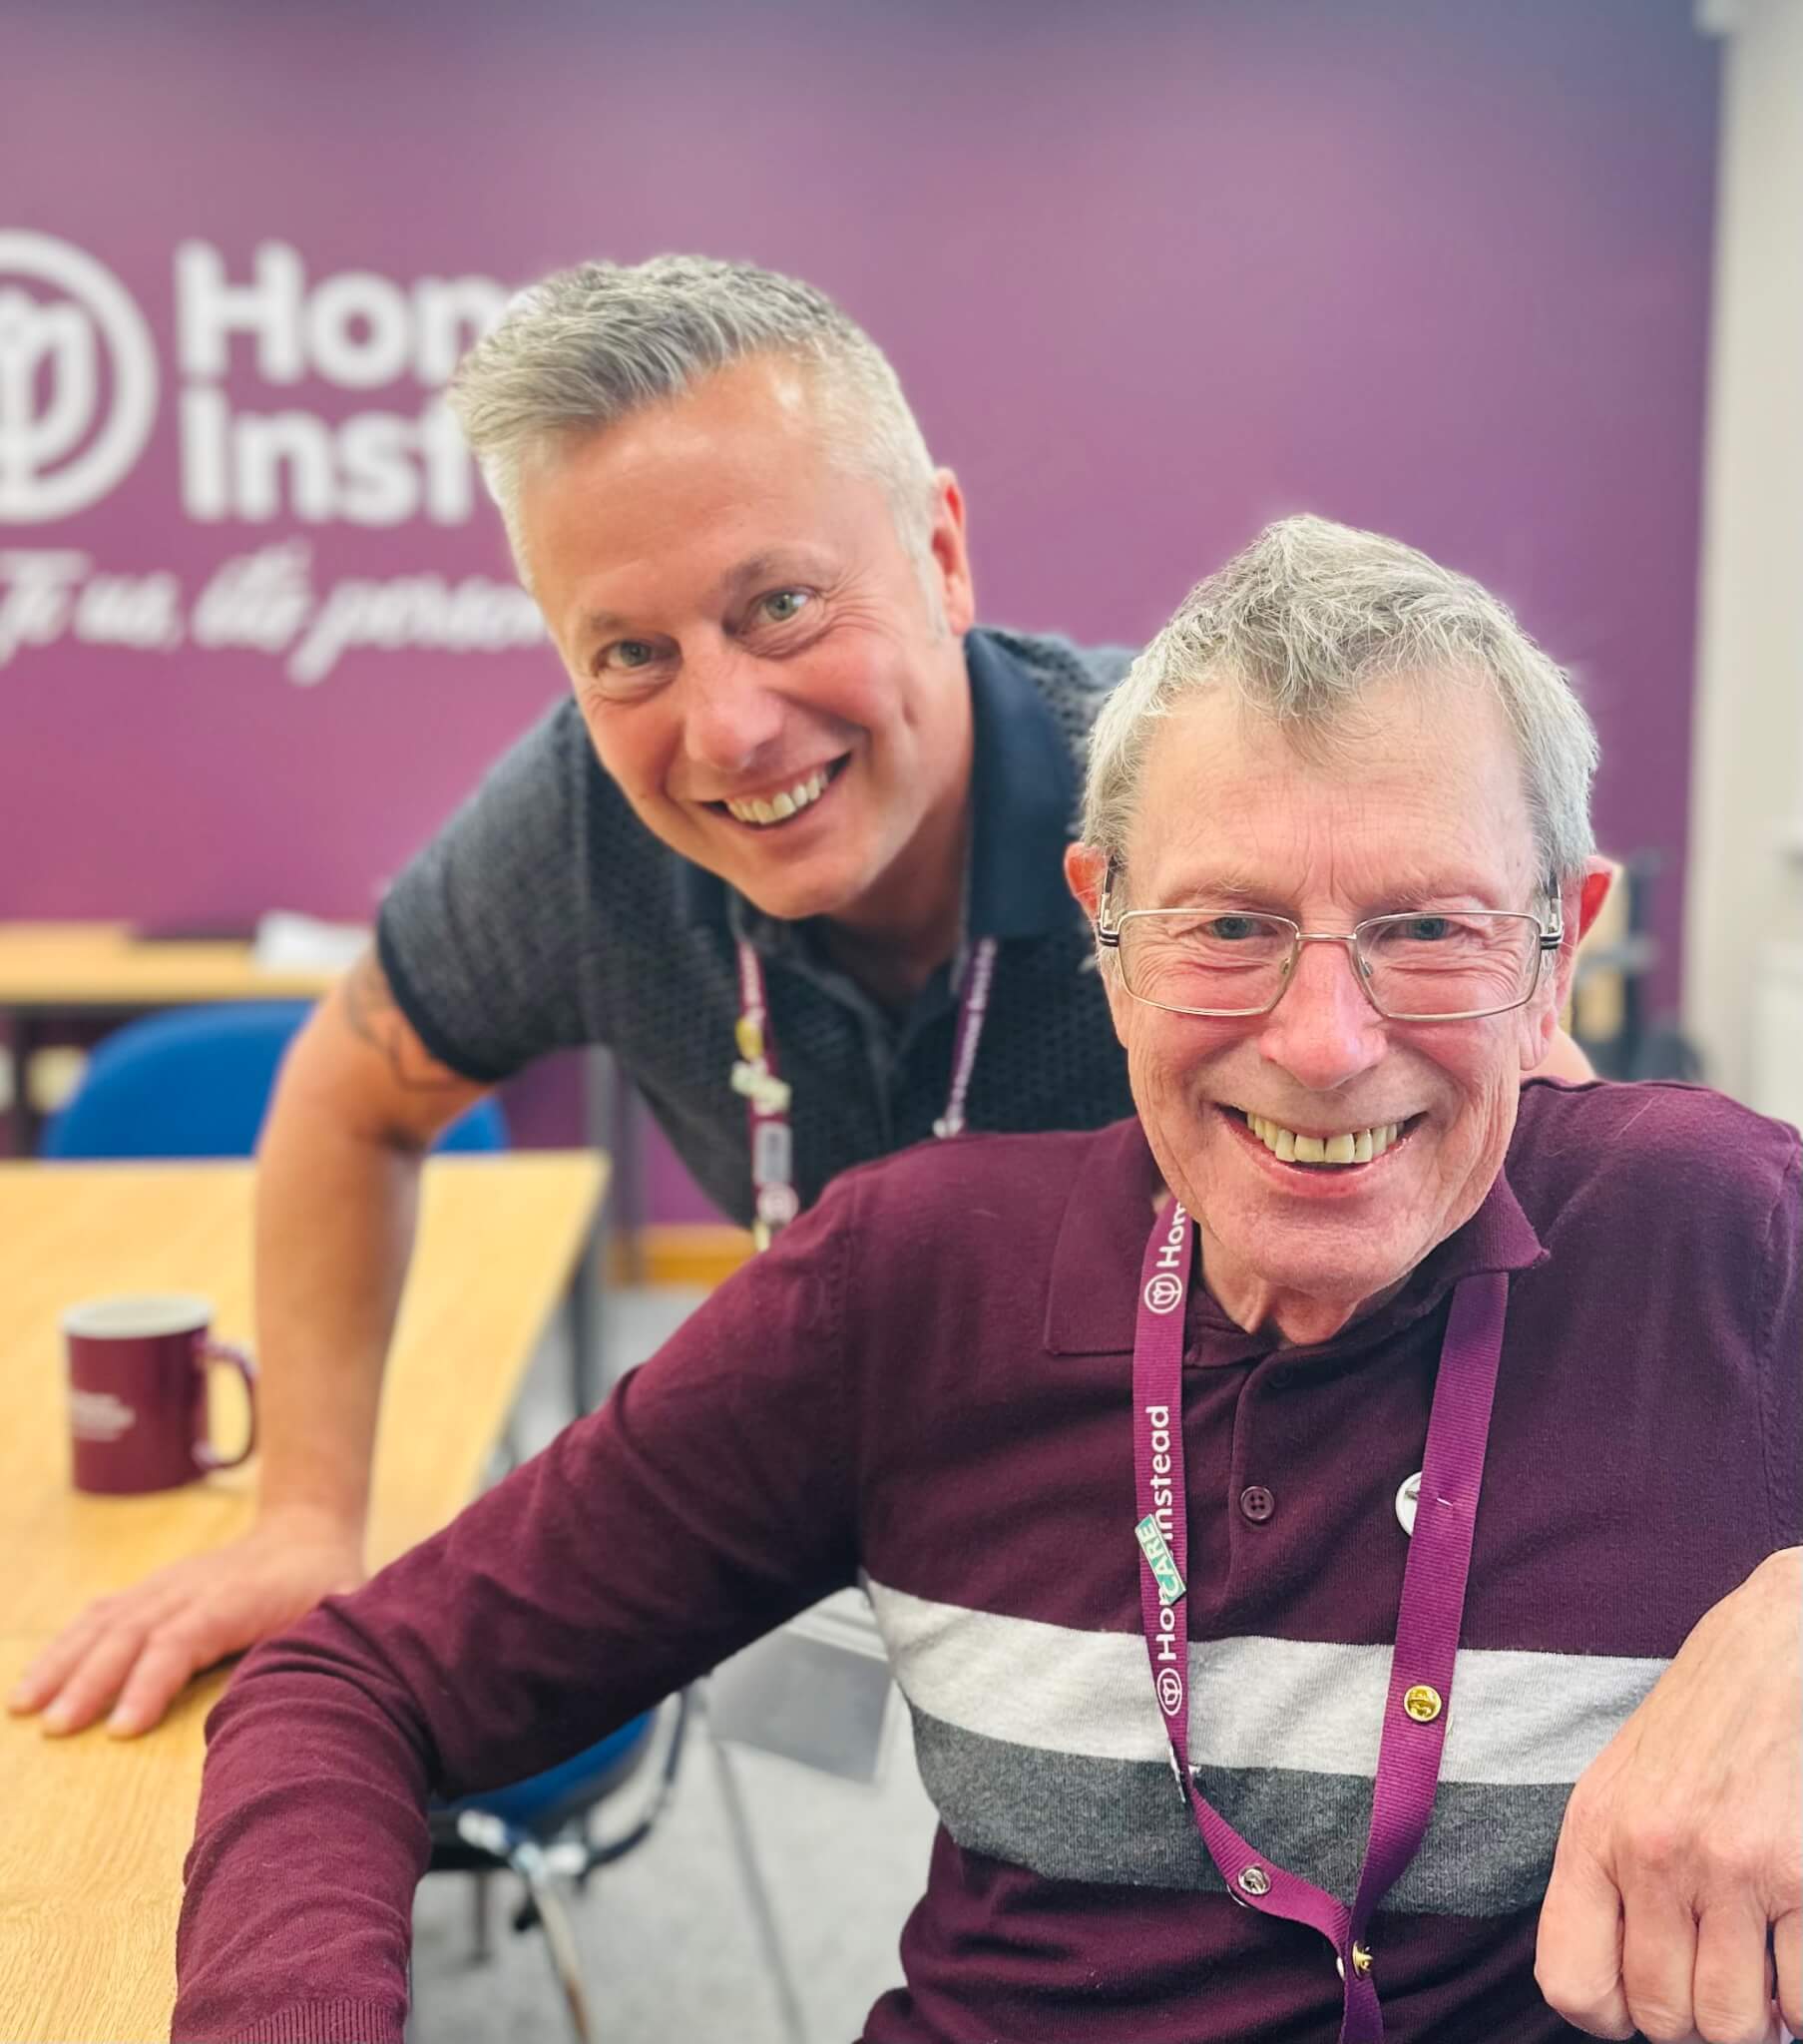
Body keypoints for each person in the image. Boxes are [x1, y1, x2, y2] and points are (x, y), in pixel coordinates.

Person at [171, 519, 1798, 2044]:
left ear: (1555, 954)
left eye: (1427, 928)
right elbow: (353, 1689)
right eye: (1226, 925)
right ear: (1105, 932)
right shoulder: (913, 1279)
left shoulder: (1713, 1236)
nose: (1323, 1043)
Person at [11, 257, 1600, 1746]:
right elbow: (349, 1099)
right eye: (629, 651)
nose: (728, 729)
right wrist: (305, 1517)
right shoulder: (580, 829)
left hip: (1277, 1567)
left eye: (780, 606)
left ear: (943, 555)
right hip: (893, 1538)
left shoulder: (1180, 805)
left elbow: (1552, 1134)